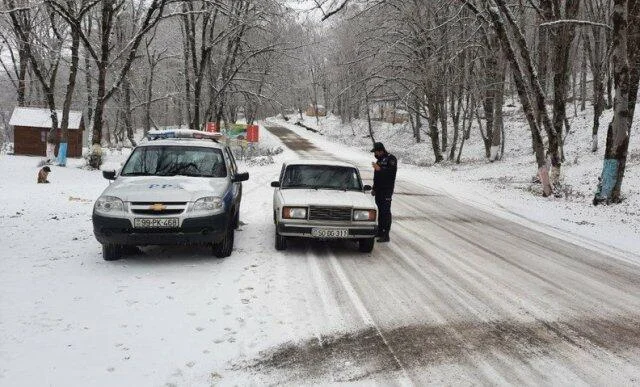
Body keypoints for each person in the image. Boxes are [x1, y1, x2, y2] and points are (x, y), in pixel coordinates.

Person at [371, 142, 397, 242]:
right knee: (380, 211)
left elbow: (391, 174)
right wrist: (374, 188)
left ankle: (386, 234)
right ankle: (380, 231)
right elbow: (376, 177)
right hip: (379, 190)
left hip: (387, 190)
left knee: (385, 211)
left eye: (376, 152)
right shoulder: (379, 161)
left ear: (381, 151)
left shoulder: (391, 159)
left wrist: (380, 169)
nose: (375, 154)